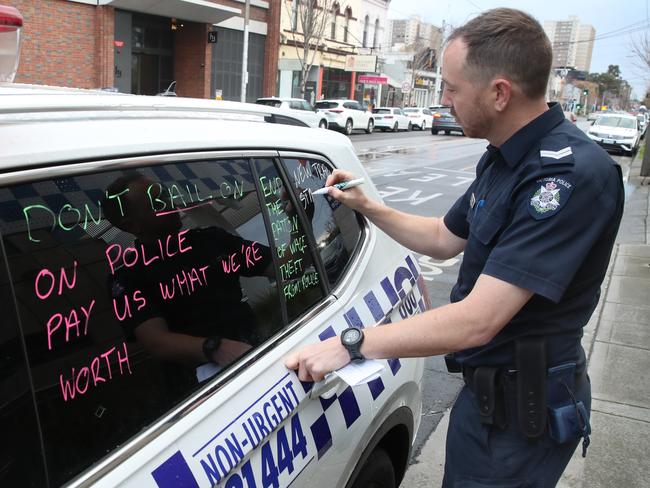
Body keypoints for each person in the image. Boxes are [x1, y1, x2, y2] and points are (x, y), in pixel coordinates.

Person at [284, 8, 624, 487]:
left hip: (523, 419)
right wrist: (367, 206)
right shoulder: (504, 158)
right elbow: (444, 238)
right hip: (485, 399)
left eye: (451, 88)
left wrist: (352, 344)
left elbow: (478, 320)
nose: (442, 101)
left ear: (499, 93)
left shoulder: (567, 177)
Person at [102, 172, 273, 388]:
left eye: (166, 195)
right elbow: (156, 341)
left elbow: (282, 267)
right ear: (133, 226)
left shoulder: (211, 239)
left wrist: (298, 220)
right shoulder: (128, 277)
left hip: (264, 356)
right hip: (207, 391)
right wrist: (216, 348)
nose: (170, 202)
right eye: (157, 203)